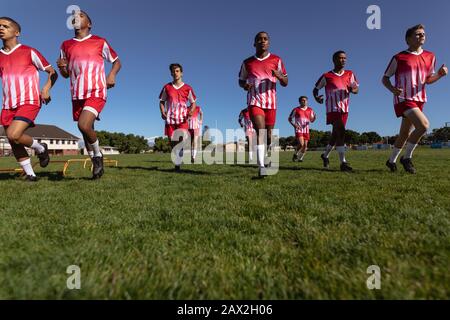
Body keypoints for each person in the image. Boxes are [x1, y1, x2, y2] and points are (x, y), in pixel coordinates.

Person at [57, 10, 121, 179]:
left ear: (89, 24)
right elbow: (65, 75)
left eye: (81, 16)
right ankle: (96, 165)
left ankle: (98, 156)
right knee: (86, 131)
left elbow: (116, 61)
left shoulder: (100, 41)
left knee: (83, 125)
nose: (76, 18)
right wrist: (62, 67)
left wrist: (112, 75)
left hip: (96, 90)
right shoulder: (65, 45)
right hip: (77, 92)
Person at [383, 24, 447, 174]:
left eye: (423, 34)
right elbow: (385, 78)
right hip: (403, 98)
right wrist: (393, 89)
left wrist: (439, 74)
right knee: (424, 126)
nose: (422, 36)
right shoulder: (399, 57)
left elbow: (428, 80)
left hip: (419, 99)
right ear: (408, 39)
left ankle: (391, 161)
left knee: (404, 134)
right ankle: (407, 158)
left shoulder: (430, 56)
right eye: (418, 34)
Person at [0, 17, 57, 181]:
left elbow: (52, 72)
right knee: (14, 142)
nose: (1, 28)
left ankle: (40, 148)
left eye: (6, 26)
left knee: (13, 135)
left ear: (16, 32)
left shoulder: (29, 51)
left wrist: (46, 88)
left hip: (29, 100)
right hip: (7, 104)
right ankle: (31, 175)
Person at [238, 31, 288, 176]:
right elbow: (240, 80)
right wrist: (244, 86)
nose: (262, 41)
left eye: (265, 39)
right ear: (254, 43)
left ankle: (267, 156)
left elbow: (285, 82)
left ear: (269, 42)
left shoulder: (276, 60)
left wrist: (279, 76)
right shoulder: (247, 62)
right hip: (254, 101)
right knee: (260, 130)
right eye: (259, 39)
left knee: (268, 134)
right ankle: (261, 167)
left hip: (271, 102)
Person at [313, 50, 359, 172]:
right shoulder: (327, 76)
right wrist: (317, 98)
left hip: (345, 108)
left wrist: (352, 90)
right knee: (341, 132)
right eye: (340, 58)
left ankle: (325, 155)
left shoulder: (350, 74)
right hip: (332, 109)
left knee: (335, 135)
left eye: (344, 58)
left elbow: (356, 89)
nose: (343, 60)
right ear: (334, 60)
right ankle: (343, 162)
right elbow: (315, 89)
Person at [159, 63, 197, 171]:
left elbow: (193, 102)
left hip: (182, 119)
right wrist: (162, 111)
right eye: (173, 71)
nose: (175, 73)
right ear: (171, 73)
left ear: (181, 73)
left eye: (177, 71)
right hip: (170, 119)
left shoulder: (187, 88)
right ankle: (177, 162)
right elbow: (161, 101)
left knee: (181, 140)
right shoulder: (167, 87)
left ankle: (178, 163)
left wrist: (191, 111)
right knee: (172, 142)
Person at [288, 96, 316, 162]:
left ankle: (300, 158)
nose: (304, 101)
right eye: (302, 100)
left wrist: (314, 118)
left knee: (305, 146)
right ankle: (295, 154)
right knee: (301, 144)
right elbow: (289, 119)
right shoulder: (296, 109)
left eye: (305, 100)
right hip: (299, 129)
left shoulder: (310, 110)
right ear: (300, 101)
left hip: (306, 129)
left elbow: (311, 120)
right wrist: (294, 125)